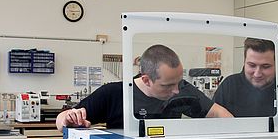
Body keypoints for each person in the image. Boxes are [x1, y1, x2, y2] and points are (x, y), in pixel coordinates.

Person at [56, 44, 232, 130]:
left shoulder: (183, 90)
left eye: (178, 82)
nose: (177, 91)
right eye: (168, 86)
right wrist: (68, 119)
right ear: (146, 80)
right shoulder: (115, 93)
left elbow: (219, 113)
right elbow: (61, 120)